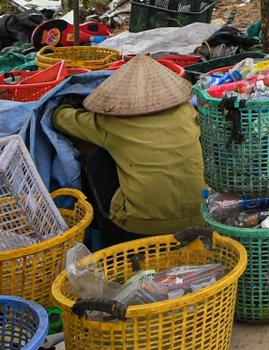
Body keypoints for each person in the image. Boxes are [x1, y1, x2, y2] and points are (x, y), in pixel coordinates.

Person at [52, 53, 205, 246]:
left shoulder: (111, 123)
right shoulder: (187, 112)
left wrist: (66, 103)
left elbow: (60, 118)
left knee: (96, 157)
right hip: (202, 215)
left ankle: (105, 242)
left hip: (138, 227)